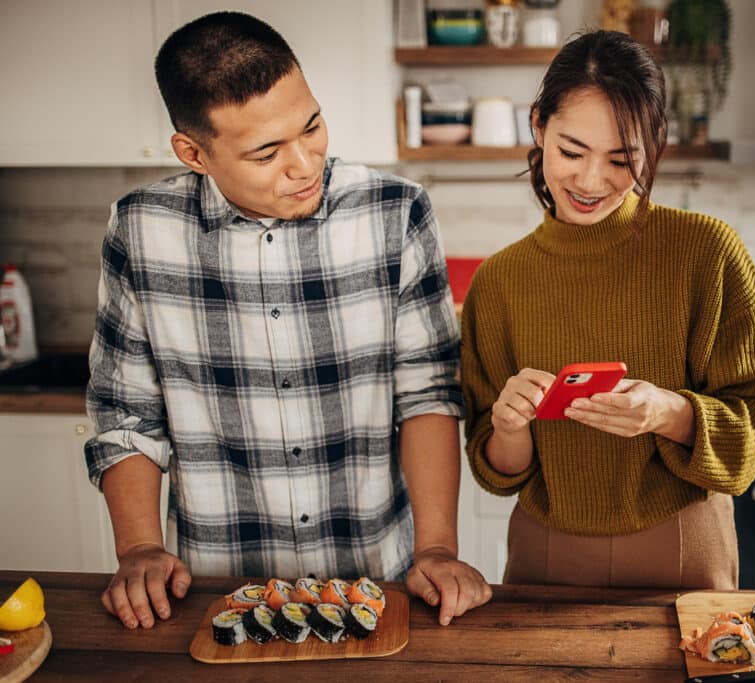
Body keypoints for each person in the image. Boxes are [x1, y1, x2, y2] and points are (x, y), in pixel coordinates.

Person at [85, 11, 490, 630]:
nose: (305, 164)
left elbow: (427, 393)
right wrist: (138, 548)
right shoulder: (141, 230)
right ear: (194, 153)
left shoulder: (395, 213)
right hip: (217, 590)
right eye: (267, 152)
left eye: (313, 126)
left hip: (380, 579)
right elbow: (125, 412)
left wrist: (437, 548)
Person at [460, 30, 755, 589]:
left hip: (684, 544)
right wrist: (507, 424)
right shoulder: (499, 281)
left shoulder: (706, 253)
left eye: (622, 159)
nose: (591, 181)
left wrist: (669, 412)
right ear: (538, 124)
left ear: (652, 144)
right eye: (571, 151)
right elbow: (497, 468)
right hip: (546, 555)